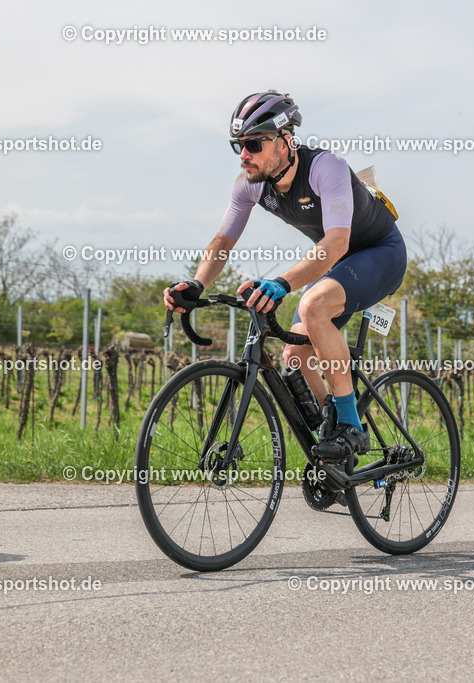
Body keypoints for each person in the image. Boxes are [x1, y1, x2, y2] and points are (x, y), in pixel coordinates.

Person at [164, 90, 407, 461]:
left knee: (312, 306)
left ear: (285, 140)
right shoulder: (250, 184)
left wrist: (281, 283)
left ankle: (351, 426)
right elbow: (222, 241)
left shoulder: (326, 168)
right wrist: (197, 284)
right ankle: (335, 435)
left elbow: (337, 243)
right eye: (238, 145)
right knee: (295, 351)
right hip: (339, 264)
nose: (243, 154)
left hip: (379, 254)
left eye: (253, 144)